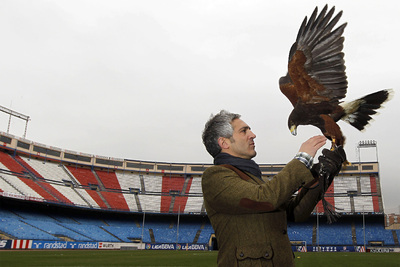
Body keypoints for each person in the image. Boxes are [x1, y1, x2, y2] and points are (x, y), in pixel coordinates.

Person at [201, 110, 346, 267]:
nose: (253, 134)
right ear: (224, 143)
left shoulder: (255, 178)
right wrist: (302, 158)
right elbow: (264, 198)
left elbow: (295, 212)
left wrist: (321, 175)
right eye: (244, 131)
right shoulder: (215, 177)